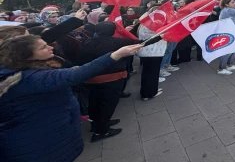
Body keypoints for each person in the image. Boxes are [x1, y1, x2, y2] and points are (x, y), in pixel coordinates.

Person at [0, 34, 142, 162]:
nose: (50, 47)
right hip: (40, 146)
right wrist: (116, 55)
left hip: (45, 138)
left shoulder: (22, 70)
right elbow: (78, 74)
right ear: (26, 55)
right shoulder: (30, 78)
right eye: (43, 47)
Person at [77, 22, 161, 142]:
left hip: (91, 78)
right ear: (112, 31)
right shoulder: (116, 42)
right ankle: (101, 131)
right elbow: (141, 43)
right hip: (111, 78)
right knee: (108, 105)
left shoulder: (88, 42)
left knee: (95, 102)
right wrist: (159, 37)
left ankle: (96, 123)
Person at [137, 12, 167, 100]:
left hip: (146, 52)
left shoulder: (143, 24)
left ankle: (145, 92)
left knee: (146, 73)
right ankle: (151, 92)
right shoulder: (154, 25)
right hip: (155, 52)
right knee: (153, 73)